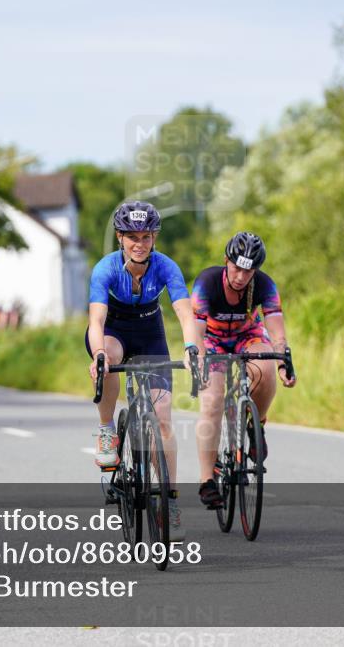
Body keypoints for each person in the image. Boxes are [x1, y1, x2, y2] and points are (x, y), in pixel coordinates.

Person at [86, 200, 200, 541]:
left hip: (151, 333)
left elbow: (185, 313)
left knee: (163, 416)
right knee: (109, 363)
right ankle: (107, 429)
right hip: (115, 332)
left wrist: (192, 348)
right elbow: (96, 319)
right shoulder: (105, 268)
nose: (140, 243)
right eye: (132, 237)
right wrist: (100, 353)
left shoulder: (166, 267)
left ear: (154, 238)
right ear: (120, 237)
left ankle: (171, 500)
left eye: (147, 236)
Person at [191, 232, 296, 508]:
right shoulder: (207, 282)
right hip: (211, 340)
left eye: (248, 271)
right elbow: (197, 333)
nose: (240, 276)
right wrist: (199, 362)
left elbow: (276, 330)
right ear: (227, 261)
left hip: (246, 336)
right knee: (212, 401)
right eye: (236, 268)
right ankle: (207, 480)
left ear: (256, 270)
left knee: (266, 366)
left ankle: (255, 426)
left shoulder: (264, 284)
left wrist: (284, 360)